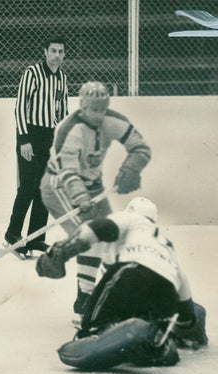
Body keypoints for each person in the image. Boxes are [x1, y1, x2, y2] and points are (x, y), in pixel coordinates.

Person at [35, 197, 207, 370]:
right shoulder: (165, 243)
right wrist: (188, 322)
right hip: (167, 287)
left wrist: (63, 250)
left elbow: (100, 230)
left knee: (96, 319)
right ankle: (157, 344)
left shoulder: (130, 219)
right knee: (142, 317)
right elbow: (182, 283)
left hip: (134, 271)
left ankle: (95, 331)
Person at [40, 80, 152, 326]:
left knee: (111, 236)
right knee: (90, 236)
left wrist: (131, 168)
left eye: (102, 109)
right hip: (59, 186)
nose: (98, 115)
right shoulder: (70, 129)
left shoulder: (113, 121)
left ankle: (103, 295)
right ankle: (85, 300)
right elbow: (67, 170)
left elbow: (141, 148)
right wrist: (80, 196)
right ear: (82, 106)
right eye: (93, 109)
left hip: (94, 189)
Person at [4, 35, 68, 259]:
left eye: (61, 52)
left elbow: (63, 113)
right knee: (28, 186)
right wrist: (24, 140)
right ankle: (12, 233)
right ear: (45, 52)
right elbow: (20, 108)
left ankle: (35, 237)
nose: (57, 55)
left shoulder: (62, 77)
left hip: (50, 137)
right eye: (53, 51)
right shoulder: (32, 73)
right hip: (31, 133)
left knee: (45, 189)